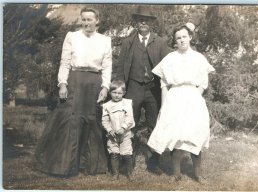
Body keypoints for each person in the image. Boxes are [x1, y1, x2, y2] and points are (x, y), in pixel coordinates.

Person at [35, 7, 112, 177]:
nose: (86, 23)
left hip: (95, 82)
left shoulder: (105, 40)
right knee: (70, 120)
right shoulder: (72, 37)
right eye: (83, 19)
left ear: (97, 20)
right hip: (74, 81)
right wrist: (62, 84)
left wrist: (105, 87)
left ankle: (92, 166)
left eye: (89, 19)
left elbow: (107, 66)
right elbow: (64, 62)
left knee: (93, 120)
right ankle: (63, 165)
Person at [147, 23, 215, 182]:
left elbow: (203, 83)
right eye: (178, 38)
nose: (182, 40)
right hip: (174, 98)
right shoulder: (170, 58)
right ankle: (175, 173)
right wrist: (165, 106)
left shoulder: (199, 58)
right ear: (175, 41)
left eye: (184, 36)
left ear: (190, 37)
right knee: (175, 135)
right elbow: (164, 84)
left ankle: (197, 174)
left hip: (192, 97)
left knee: (194, 133)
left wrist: (193, 98)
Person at [115, 6, 169, 174]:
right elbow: (120, 67)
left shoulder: (160, 42)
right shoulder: (128, 42)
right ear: (136, 23)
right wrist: (119, 87)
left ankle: (154, 162)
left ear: (151, 23)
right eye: (140, 20)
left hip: (153, 89)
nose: (143, 22)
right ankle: (127, 160)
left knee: (155, 125)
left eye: (146, 20)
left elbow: (168, 66)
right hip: (133, 87)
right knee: (129, 124)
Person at [102, 80, 135, 181]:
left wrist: (123, 127)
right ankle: (115, 173)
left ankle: (129, 173)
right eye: (114, 92)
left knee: (127, 154)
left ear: (123, 93)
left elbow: (129, 118)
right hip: (113, 135)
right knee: (114, 153)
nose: (117, 95)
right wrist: (109, 129)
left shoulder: (127, 103)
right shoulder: (106, 105)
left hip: (125, 134)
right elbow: (105, 120)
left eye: (119, 93)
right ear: (110, 92)